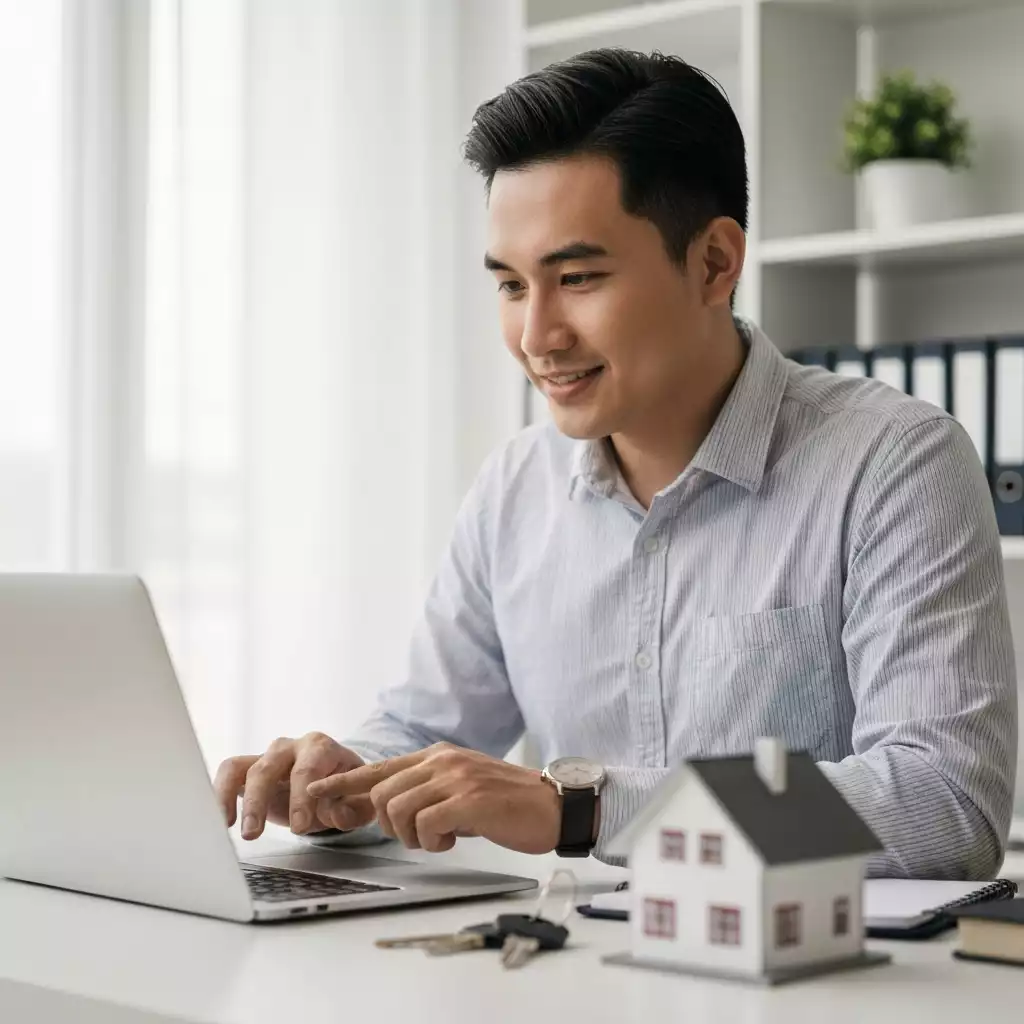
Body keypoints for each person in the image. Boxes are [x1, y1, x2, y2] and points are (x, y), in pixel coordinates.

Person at [215, 49, 1017, 879]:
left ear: (713, 263)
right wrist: (339, 782)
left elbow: (946, 806)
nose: (536, 337)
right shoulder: (514, 490)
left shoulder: (893, 465)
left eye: (578, 277)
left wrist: (585, 810)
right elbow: (426, 733)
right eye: (512, 286)